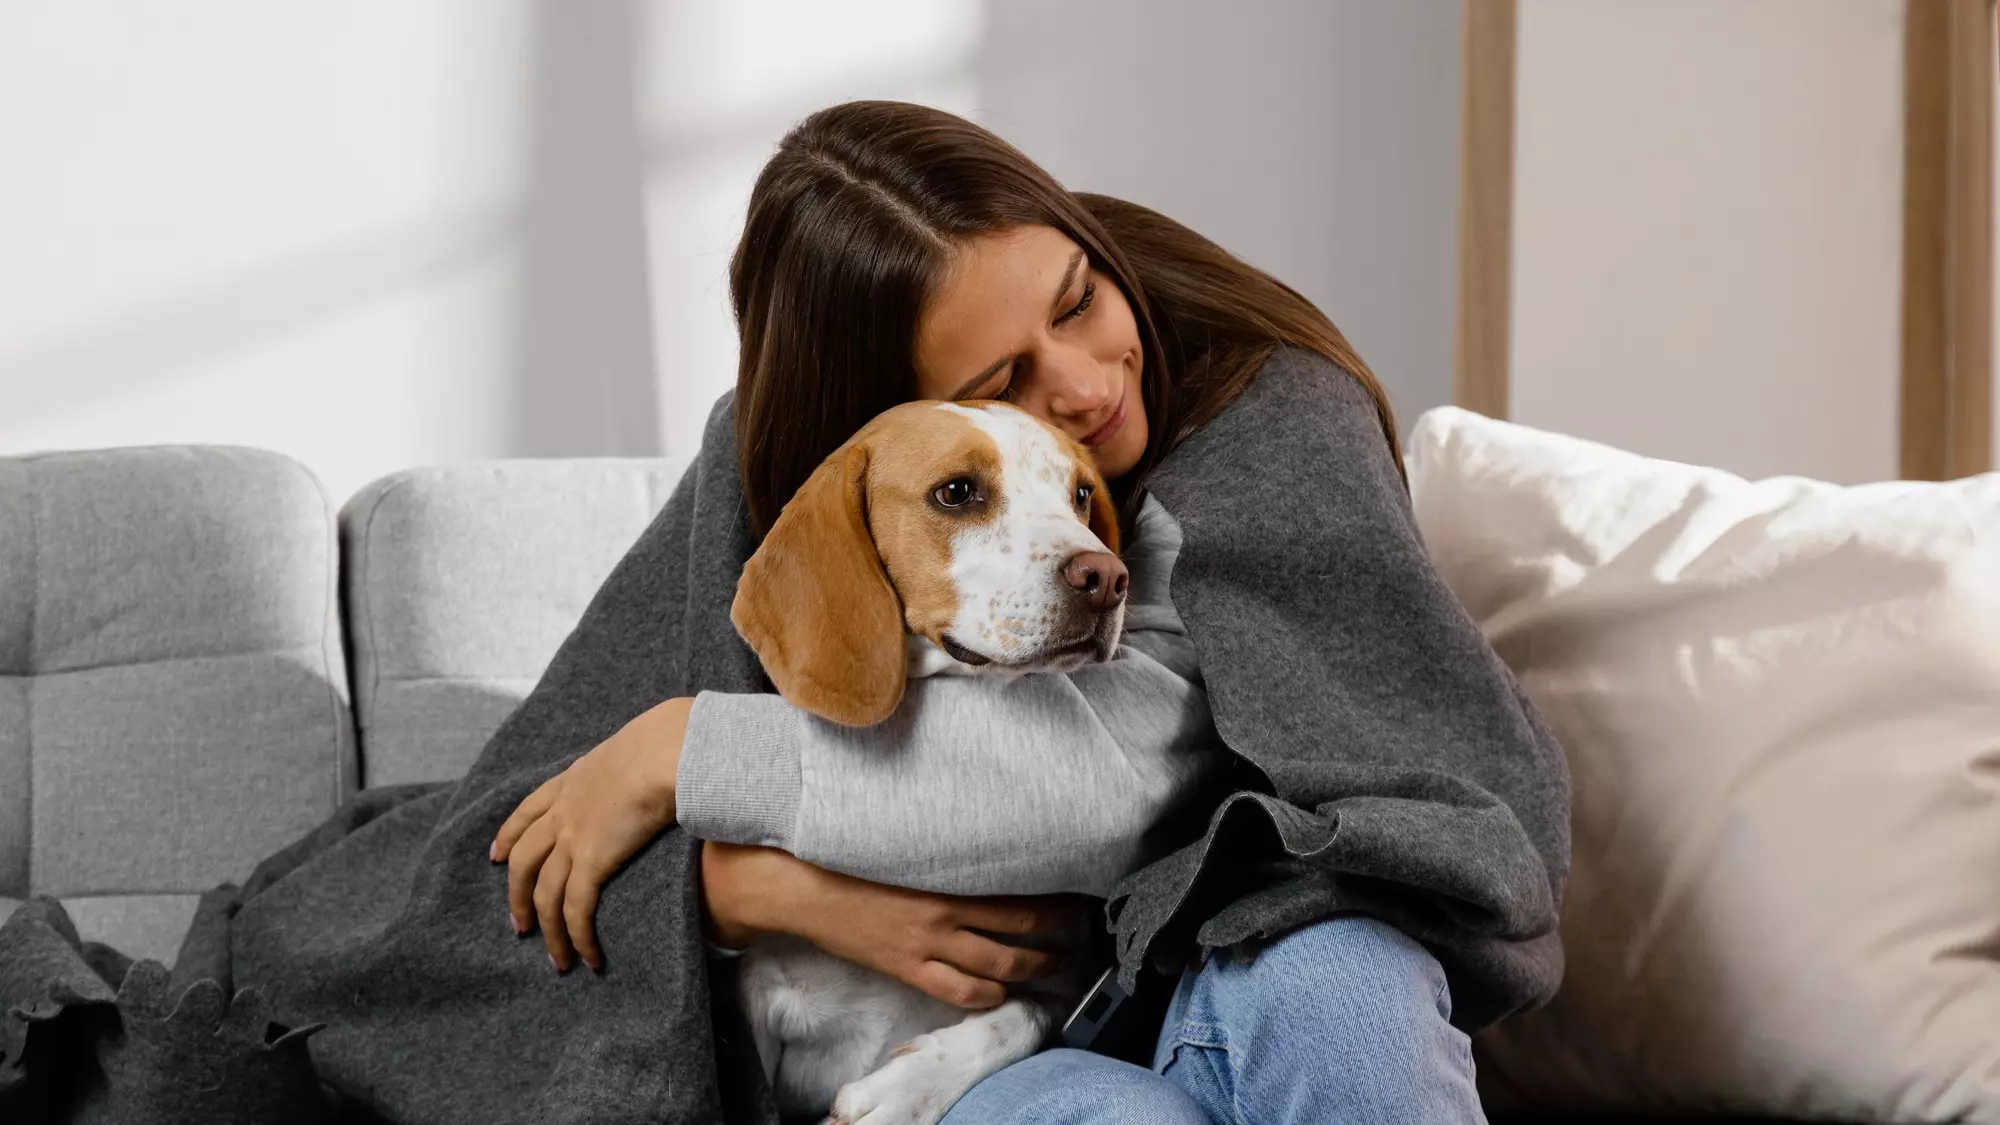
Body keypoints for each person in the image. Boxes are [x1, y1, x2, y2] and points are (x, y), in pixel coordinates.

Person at [489, 100, 1569, 1124]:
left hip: (1250, 936)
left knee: (1344, 990)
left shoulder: (1267, 418)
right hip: (1025, 1047)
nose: (1089, 388)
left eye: (1078, 300)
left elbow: (1113, 781)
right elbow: (496, 861)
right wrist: (751, 890)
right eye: (1001, 384)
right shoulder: (792, 480)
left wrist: (682, 751)